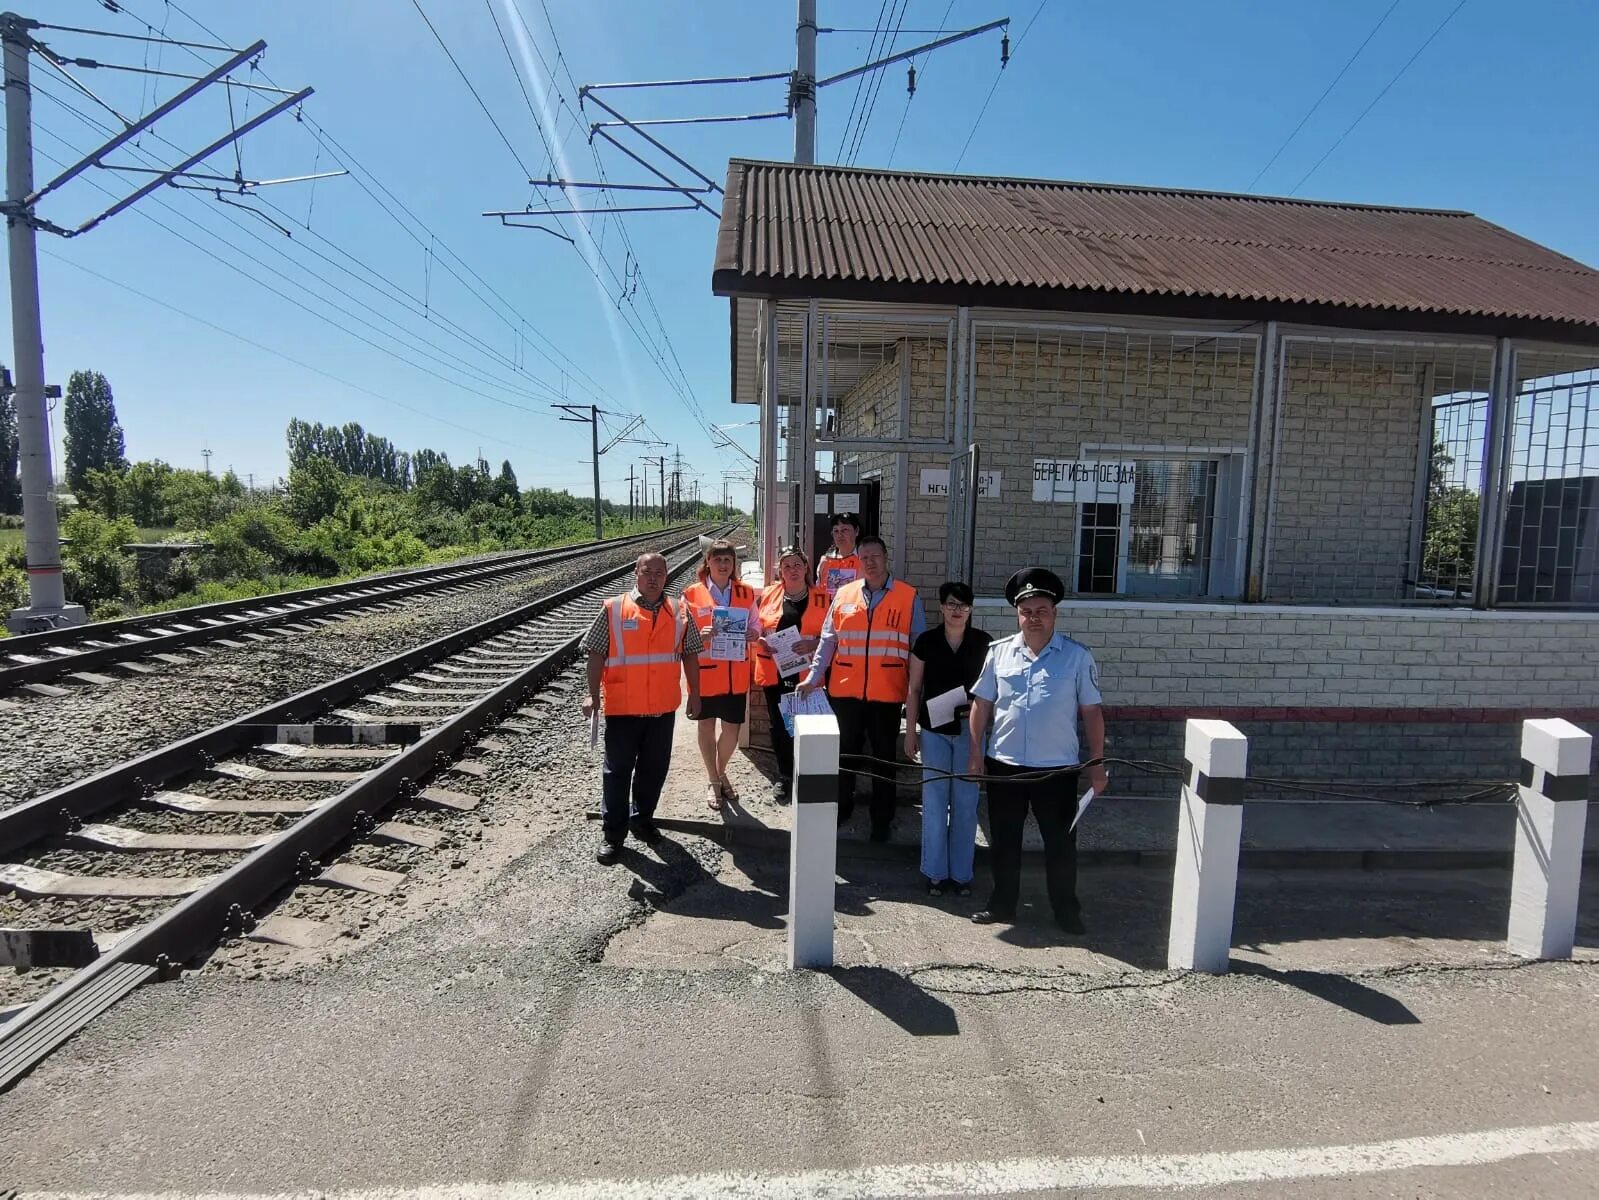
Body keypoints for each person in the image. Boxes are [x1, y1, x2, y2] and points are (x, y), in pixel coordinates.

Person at [966, 567, 1108, 934]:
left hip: (1056, 770)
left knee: (1060, 845)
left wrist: (1096, 763)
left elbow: (1091, 713)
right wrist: (975, 751)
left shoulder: (1077, 657)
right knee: (1005, 843)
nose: (1033, 618)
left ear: (1055, 613)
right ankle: (1002, 906)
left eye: (1041, 610)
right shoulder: (999, 654)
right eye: (1026, 611)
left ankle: (1066, 911)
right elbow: (982, 705)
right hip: (1005, 766)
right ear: (1017, 614)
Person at [798, 535, 925, 841]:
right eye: (864, 557)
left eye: (874, 556)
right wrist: (814, 677)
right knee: (844, 756)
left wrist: (914, 694)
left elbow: (918, 647)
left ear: (885, 557)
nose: (870, 562)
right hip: (845, 693)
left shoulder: (908, 597)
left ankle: (882, 820)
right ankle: (841, 809)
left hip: (888, 694)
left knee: (884, 760)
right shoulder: (843, 595)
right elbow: (828, 641)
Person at [582, 552, 702, 864]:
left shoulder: (679, 610)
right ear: (636, 572)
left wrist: (695, 693)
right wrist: (592, 694)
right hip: (623, 710)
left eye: (659, 573)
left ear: (666, 577)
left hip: (662, 710)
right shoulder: (614, 609)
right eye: (647, 572)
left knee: (653, 771)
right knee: (617, 773)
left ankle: (642, 820)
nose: (653, 578)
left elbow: (690, 654)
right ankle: (613, 834)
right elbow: (594, 652)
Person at [903, 581, 992, 897]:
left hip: (970, 733)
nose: (957, 610)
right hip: (934, 732)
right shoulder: (926, 642)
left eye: (964, 605)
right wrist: (911, 730)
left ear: (970, 609)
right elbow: (914, 689)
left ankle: (962, 875)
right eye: (952, 604)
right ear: (941, 607)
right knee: (936, 803)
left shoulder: (984, 643)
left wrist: (981, 741)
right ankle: (936, 873)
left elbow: (990, 693)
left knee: (966, 805)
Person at [680, 539, 760, 811]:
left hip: (735, 675)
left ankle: (720, 769)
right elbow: (680, 635)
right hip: (705, 675)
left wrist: (754, 633)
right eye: (718, 560)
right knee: (706, 727)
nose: (723, 565)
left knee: (731, 732)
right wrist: (697, 636)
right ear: (708, 563)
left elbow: (756, 624)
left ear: (733, 565)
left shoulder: (746, 593)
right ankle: (714, 780)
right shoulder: (691, 594)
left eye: (728, 560)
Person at [753, 546, 829, 800]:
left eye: (797, 564)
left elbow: (834, 635)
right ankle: (785, 775)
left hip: (809, 673)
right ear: (780, 571)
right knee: (779, 725)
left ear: (807, 568)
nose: (793, 570)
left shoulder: (823, 597)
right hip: (775, 671)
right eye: (787, 566)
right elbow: (757, 628)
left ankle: (809, 774)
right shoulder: (769, 594)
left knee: (809, 722)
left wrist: (814, 643)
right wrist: (761, 641)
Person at [816, 512, 864, 596]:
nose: (840, 535)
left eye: (844, 530)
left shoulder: (865, 559)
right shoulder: (825, 560)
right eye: (836, 531)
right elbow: (819, 590)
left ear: (856, 531)